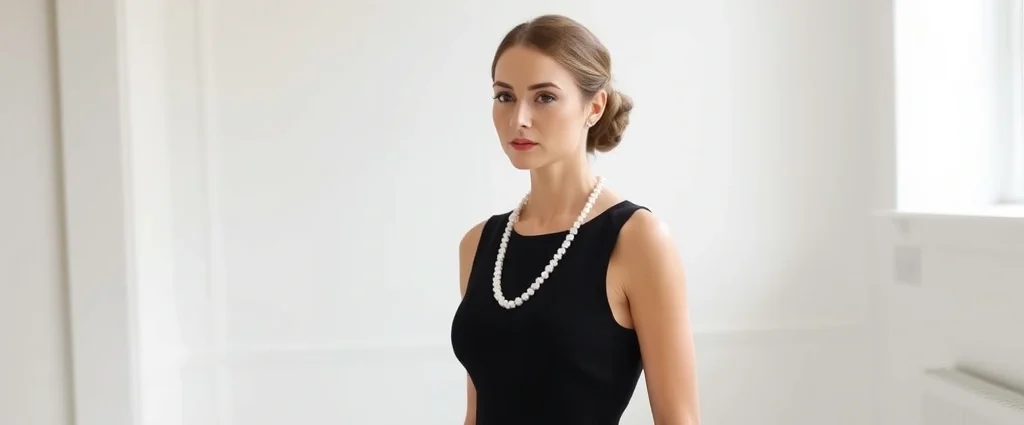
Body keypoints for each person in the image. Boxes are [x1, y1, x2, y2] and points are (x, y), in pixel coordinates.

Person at [449, 14, 700, 425]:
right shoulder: (479, 245)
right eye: (504, 96)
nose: (519, 119)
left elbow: (680, 420)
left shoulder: (637, 240)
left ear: (594, 106)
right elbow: (476, 415)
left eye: (544, 97)